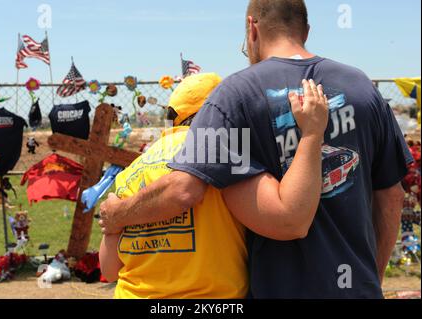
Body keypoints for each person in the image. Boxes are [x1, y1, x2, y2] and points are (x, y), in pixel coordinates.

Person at [100, 0, 412, 298]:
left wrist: (118, 214)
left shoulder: (233, 96)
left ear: (252, 28)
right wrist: (371, 278)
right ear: (306, 30)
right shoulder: (362, 87)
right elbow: (391, 199)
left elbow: (183, 188)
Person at [99, 72, 329, 298]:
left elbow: (109, 270)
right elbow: (284, 216)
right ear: (220, 111)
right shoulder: (227, 149)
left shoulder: (133, 169)